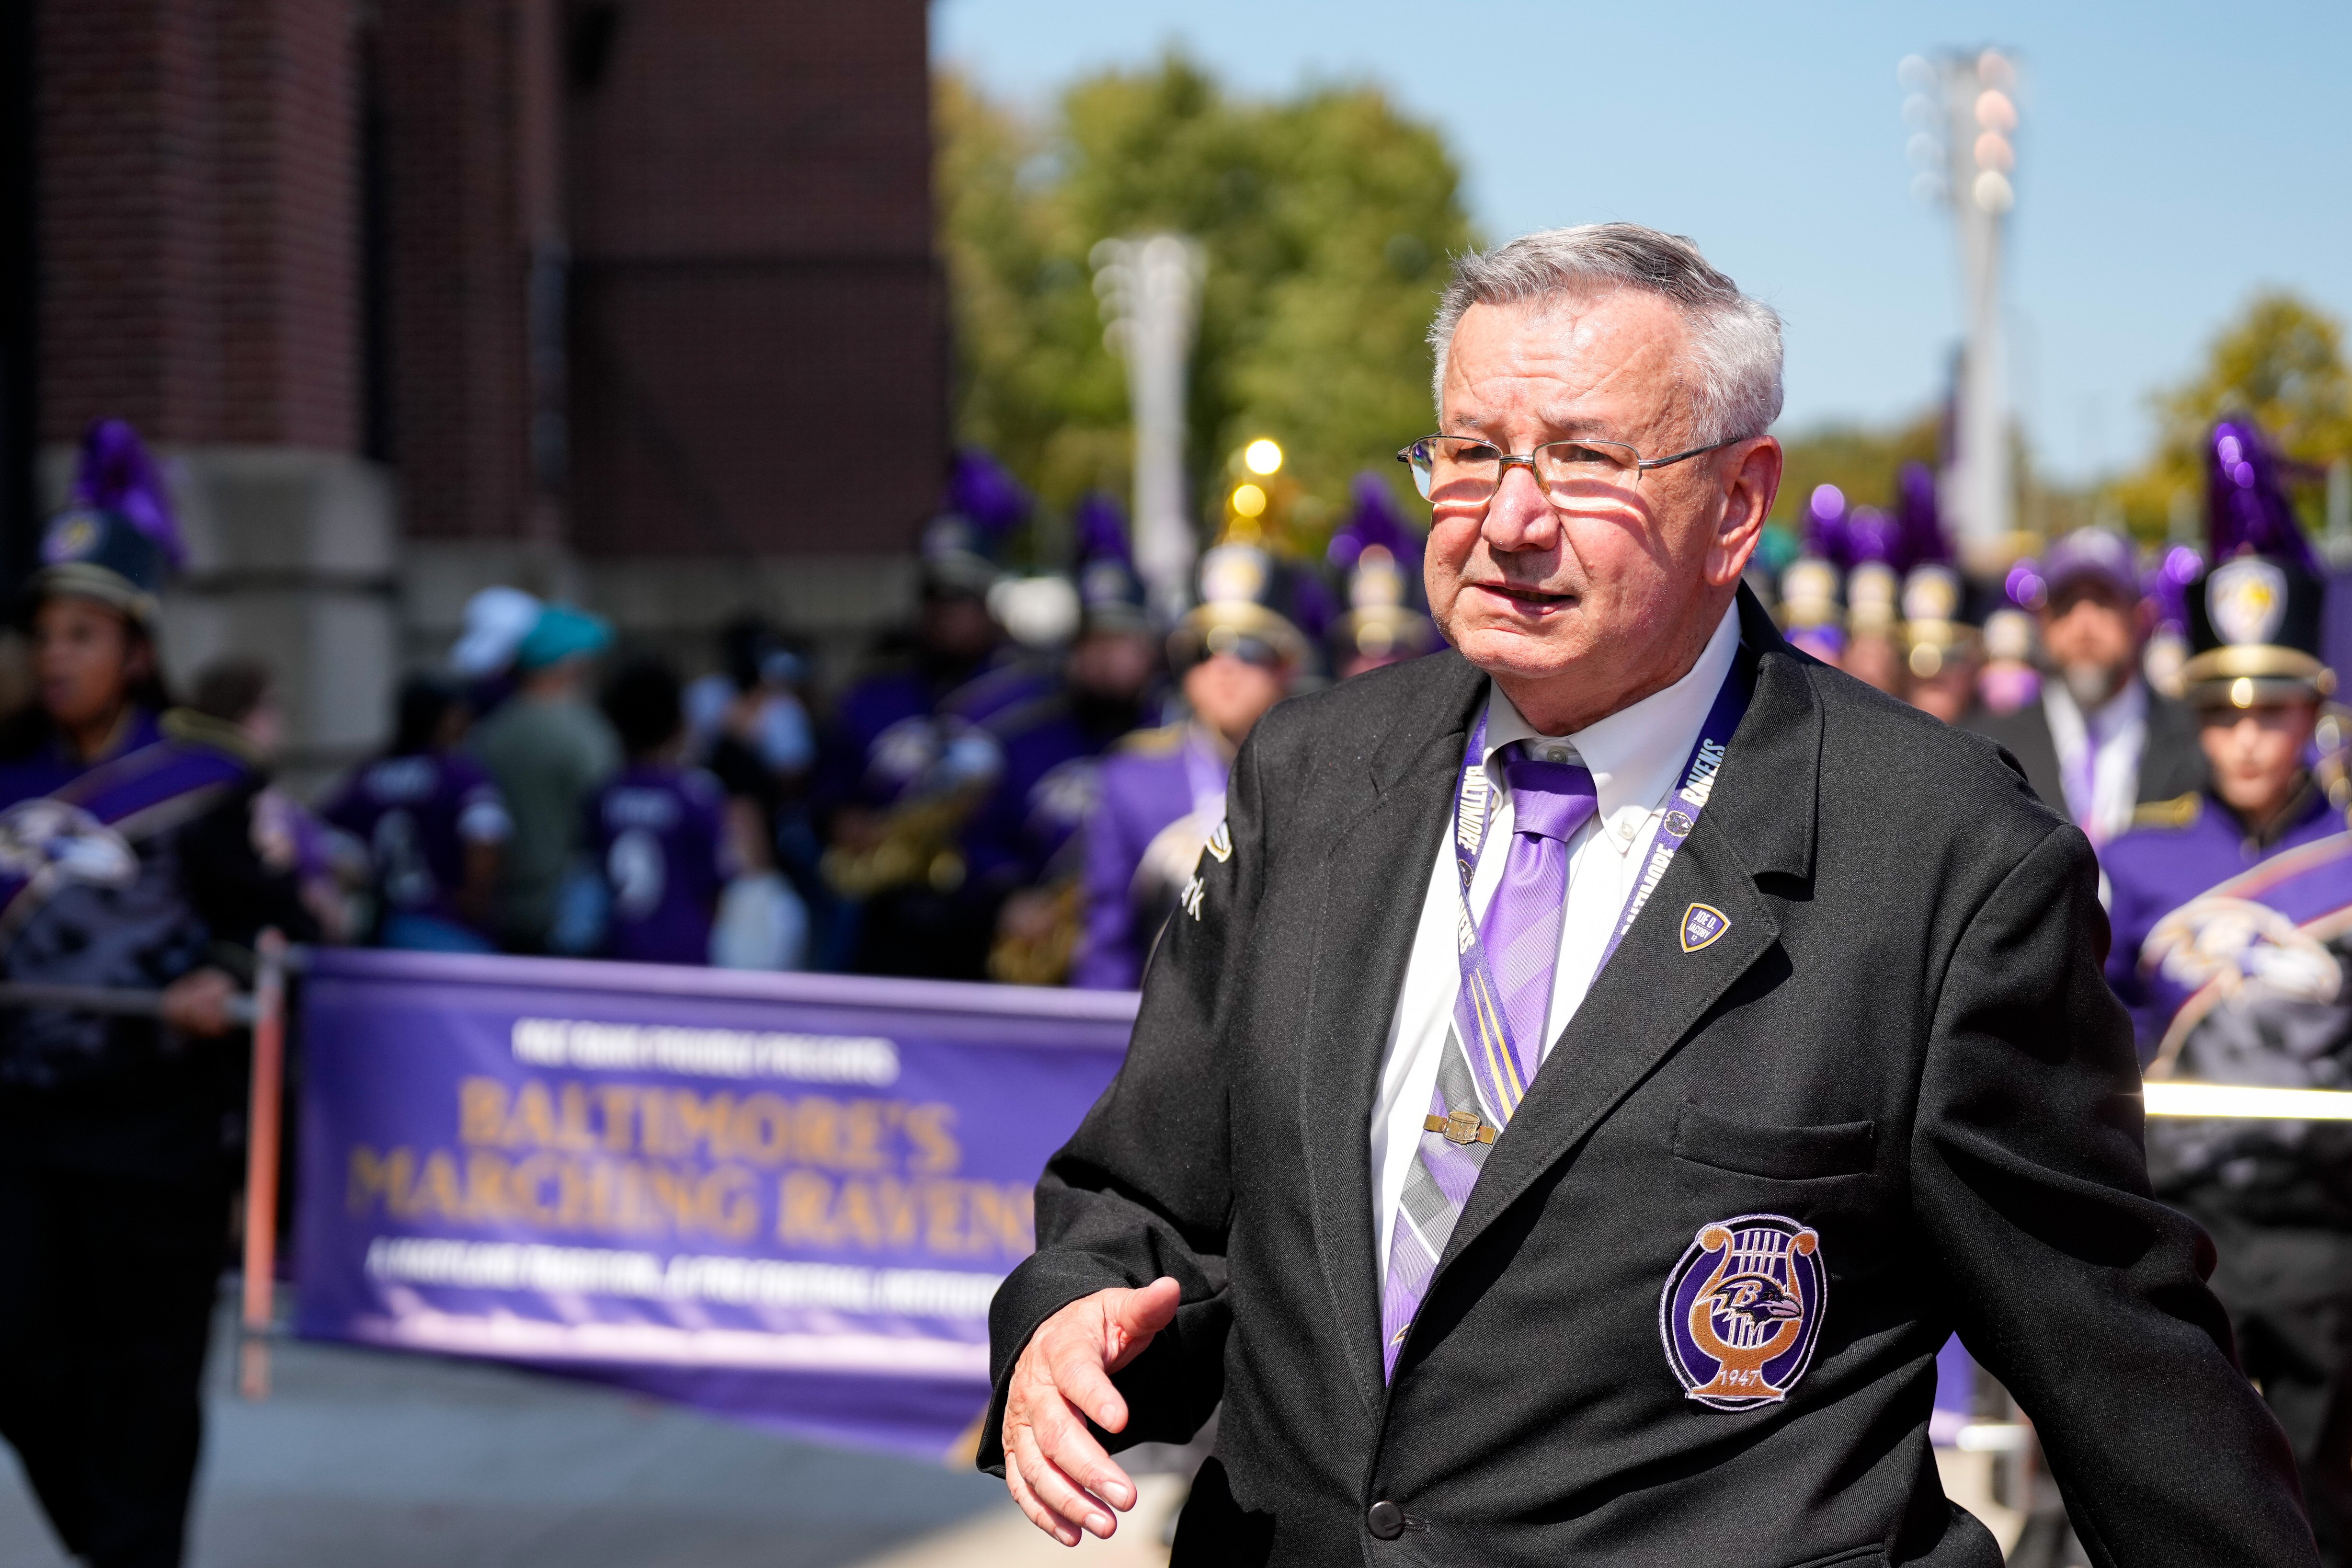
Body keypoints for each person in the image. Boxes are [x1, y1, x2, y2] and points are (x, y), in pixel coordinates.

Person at [981, 225, 2309, 1564]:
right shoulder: (1313, 776)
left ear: (1734, 504)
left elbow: (2114, 1354)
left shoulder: (1941, 857)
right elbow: (1146, 1189)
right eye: (1471, 451)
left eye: (1580, 459)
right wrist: (1066, 1320)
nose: (1508, 518)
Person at [0, 430, 315, 1568]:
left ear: (136, 649)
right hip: (21, 1126)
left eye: (81, 635)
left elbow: (280, 925)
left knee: (146, 1372)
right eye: (44, 635)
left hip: (156, 1130)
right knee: (20, 1353)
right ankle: (116, 1542)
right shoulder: (5, 772)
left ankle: (135, 1551)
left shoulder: (204, 779)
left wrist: (215, 980)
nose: (55, 656)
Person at [2102, 421, 2352, 1562]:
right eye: (2222, 713)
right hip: (2180, 1225)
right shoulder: (2131, 860)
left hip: (2326, 1231)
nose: (2248, 738)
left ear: (2314, 712)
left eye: (2271, 710)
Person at [1068, 539, 1306, 991]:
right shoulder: (1132, 779)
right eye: (1204, 648)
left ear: (1288, 664)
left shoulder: (1333, 772)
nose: (1224, 666)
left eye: (1250, 649)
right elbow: (1108, 948)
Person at [1966, 527, 2205, 847]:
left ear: (2142, 617)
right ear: (2043, 621)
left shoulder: (2199, 738)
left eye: (2104, 601)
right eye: (2066, 604)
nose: (2084, 626)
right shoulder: (1988, 751)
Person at [320, 674, 511, 951]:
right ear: (445, 718)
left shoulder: (369, 777)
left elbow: (327, 843)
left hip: (386, 928)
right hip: (449, 928)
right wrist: (475, 903)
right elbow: (485, 841)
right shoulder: (461, 776)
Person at [467, 603, 619, 950]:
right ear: (566, 664)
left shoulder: (486, 733)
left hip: (503, 911)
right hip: (570, 916)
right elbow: (609, 813)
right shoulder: (584, 733)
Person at [564, 656, 734, 966]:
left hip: (618, 953)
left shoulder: (602, 797)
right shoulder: (695, 797)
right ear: (678, 723)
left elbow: (588, 880)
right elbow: (716, 889)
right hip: (684, 954)